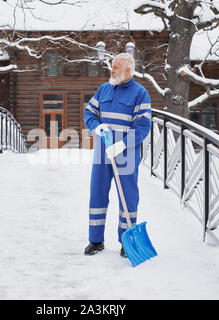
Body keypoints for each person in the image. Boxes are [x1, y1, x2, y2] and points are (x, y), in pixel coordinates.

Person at [83, 52, 152, 257]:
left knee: (128, 198)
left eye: (116, 67)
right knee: (97, 193)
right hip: (102, 152)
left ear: (129, 71)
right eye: (111, 66)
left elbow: (143, 126)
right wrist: (98, 126)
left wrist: (123, 144)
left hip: (126, 154)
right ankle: (95, 240)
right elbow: (89, 113)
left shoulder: (140, 94)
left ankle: (127, 241)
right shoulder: (104, 89)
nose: (111, 70)